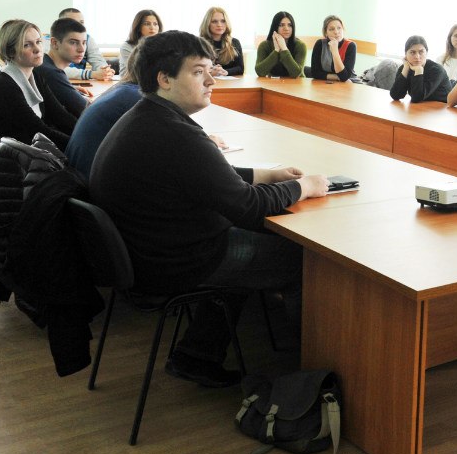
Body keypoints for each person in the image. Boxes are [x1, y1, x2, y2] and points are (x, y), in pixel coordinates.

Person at [90, 31, 330, 387]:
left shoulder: (147, 117)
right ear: (164, 79)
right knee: (303, 259)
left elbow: (204, 175)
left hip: (146, 253)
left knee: (248, 239)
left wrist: (265, 175)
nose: (211, 80)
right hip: (176, 261)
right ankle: (309, 375)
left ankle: (197, 354)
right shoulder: (176, 134)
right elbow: (248, 207)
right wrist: (303, 187)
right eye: (198, 72)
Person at [0, 19, 77, 151]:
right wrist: (79, 145)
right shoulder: (4, 86)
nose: (37, 49)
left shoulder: (36, 76)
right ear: (11, 51)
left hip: (25, 149)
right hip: (6, 157)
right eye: (27, 45)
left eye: (38, 42)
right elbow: (38, 130)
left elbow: (61, 116)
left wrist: (85, 133)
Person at [65, 43, 146, 179]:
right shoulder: (137, 100)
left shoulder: (124, 90)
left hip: (77, 177)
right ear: (163, 77)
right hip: (88, 185)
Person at [35, 17, 92, 119]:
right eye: (73, 42)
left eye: (84, 42)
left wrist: (70, 90)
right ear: (55, 43)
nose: (81, 49)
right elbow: (88, 111)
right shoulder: (50, 72)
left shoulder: (46, 64)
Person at [389, 35, 452, 102]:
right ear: (406, 54)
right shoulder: (405, 68)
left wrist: (419, 71)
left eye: (421, 52)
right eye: (412, 52)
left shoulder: (437, 70)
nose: (417, 56)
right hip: (421, 106)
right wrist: (405, 69)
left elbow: (417, 98)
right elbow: (395, 95)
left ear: (426, 53)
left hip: (443, 106)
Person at [58, 8, 115, 81]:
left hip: (79, 83)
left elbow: (98, 61)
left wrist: (105, 71)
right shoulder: (50, 41)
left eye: (81, 22)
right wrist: (91, 74)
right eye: (73, 22)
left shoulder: (87, 39)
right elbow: (57, 69)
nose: (79, 26)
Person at [254, 11, 307, 78]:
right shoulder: (264, 45)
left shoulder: (300, 46)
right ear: (275, 27)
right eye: (281, 25)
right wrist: (276, 50)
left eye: (290, 25)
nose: (286, 29)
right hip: (273, 83)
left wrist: (284, 49)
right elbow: (260, 72)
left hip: (297, 83)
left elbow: (296, 74)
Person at [305, 15, 357, 82]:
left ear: (343, 29)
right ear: (326, 33)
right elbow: (315, 73)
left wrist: (335, 52)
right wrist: (336, 77)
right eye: (331, 29)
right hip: (327, 81)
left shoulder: (351, 46)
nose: (336, 32)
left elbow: (344, 77)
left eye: (339, 28)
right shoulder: (320, 44)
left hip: (348, 82)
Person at [199, 7, 244, 77]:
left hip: (228, 82)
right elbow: (195, 69)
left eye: (223, 21)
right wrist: (211, 71)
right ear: (207, 24)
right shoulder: (199, 43)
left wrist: (226, 72)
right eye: (214, 21)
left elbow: (240, 68)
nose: (219, 25)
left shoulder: (234, 42)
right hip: (206, 81)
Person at [118, 9, 162, 76]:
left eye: (155, 24)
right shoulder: (127, 46)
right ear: (138, 27)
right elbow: (138, 70)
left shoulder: (162, 45)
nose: (152, 27)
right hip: (131, 81)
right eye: (147, 24)